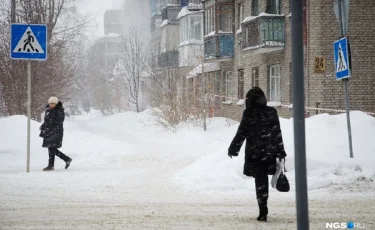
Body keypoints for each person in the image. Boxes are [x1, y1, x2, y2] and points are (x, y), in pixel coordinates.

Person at [228, 87, 286, 222]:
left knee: (260, 181)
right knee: (262, 179)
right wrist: (280, 152)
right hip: (269, 152)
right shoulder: (272, 112)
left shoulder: (249, 113)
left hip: (255, 153)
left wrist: (233, 149)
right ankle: (263, 207)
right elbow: (277, 133)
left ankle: (262, 209)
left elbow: (242, 132)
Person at [39, 97, 72, 171]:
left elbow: (59, 122)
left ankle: (53, 164)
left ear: (56, 103)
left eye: (53, 103)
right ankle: (65, 160)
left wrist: (50, 126)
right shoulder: (48, 110)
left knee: (51, 148)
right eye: (50, 103)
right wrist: (43, 126)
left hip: (56, 132)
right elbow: (47, 121)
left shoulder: (59, 110)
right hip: (49, 131)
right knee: (51, 148)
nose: (51, 105)